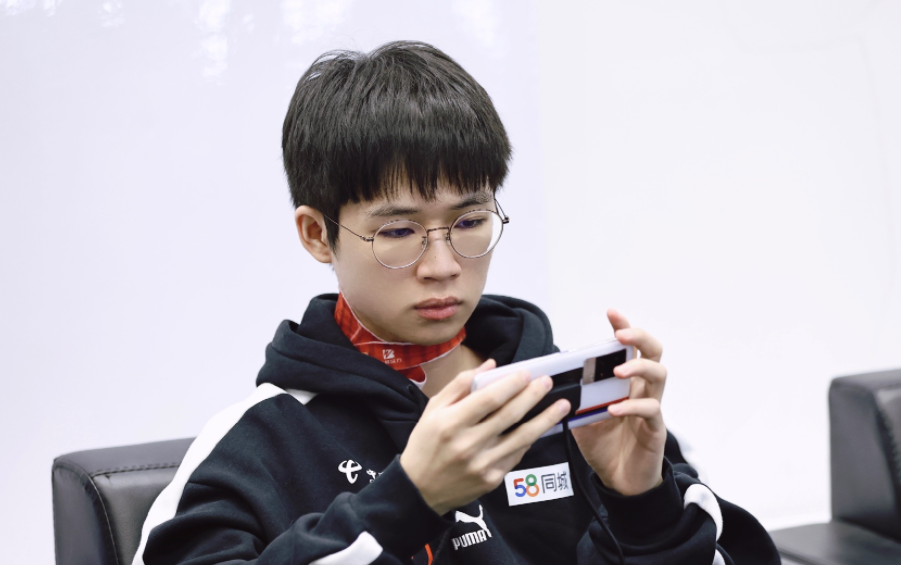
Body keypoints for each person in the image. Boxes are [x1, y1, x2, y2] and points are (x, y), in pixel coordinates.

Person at [133, 41, 779, 565]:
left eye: (469, 222)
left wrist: (642, 505)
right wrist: (406, 501)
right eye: (398, 231)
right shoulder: (258, 445)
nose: (442, 265)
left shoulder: (570, 404)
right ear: (316, 234)